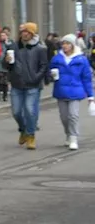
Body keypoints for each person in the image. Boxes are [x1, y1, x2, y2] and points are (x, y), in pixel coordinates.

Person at [7, 22, 49, 150]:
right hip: (17, 84)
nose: (24, 34)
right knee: (16, 112)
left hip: (33, 85)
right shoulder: (14, 46)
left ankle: (30, 135)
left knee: (30, 111)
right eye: (23, 32)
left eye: (27, 32)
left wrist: (36, 78)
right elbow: (7, 66)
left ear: (32, 33)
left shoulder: (40, 48)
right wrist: (7, 62)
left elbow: (43, 66)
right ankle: (23, 129)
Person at [51, 34, 94, 150]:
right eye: (63, 43)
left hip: (75, 90)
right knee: (64, 117)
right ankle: (68, 134)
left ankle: (74, 138)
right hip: (61, 90)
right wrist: (51, 75)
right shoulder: (57, 58)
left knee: (73, 115)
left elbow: (86, 78)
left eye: (67, 43)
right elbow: (50, 72)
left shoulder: (81, 59)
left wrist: (91, 95)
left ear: (73, 45)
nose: (65, 46)